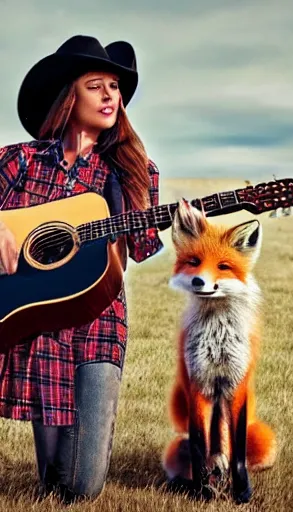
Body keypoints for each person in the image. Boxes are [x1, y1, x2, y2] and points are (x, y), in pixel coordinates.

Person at [0, 35, 164, 503]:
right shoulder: (20, 161)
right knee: (54, 486)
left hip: (98, 322)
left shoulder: (131, 171)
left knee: (82, 486)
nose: (111, 95)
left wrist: (185, 224)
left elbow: (143, 243)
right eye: (97, 85)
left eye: (115, 86)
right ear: (69, 96)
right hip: (34, 320)